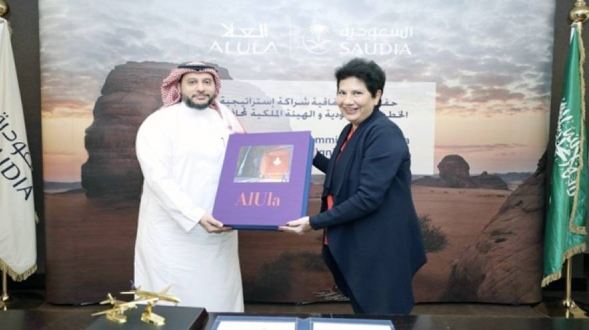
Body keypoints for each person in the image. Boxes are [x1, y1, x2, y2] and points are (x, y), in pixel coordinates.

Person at [279, 58, 427, 315]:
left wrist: (314, 222)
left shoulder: (383, 133)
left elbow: (368, 198)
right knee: (366, 312)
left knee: (384, 315)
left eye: (357, 93)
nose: (348, 100)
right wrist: (313, 156)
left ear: (376, 95)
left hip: (381, 246)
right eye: (342, 92)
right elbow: (344, 175)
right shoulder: (352, 129)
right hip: (362, 242)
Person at [134, 61, 245, 312]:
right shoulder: (158, 123)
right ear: (179, 86)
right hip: (173, 233)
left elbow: (244, 165)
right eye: (192, 82)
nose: (200, 88)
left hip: (219, 228)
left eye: (207, 82)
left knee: (218, 295)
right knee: (173, 301)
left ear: (215, 86)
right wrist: (195, 214)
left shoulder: (225, 119)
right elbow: (158, 179)